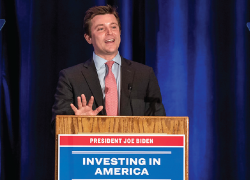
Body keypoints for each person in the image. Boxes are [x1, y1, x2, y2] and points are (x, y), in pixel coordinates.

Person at [51, 5, 165, 126]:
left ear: (120, 33)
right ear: (88, 38)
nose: (109, 32)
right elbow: (57, 125)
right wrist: (77, 122)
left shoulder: (144, 75)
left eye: (113, 27)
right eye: (101, 29)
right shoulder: (71, 77)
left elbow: (160, 124)